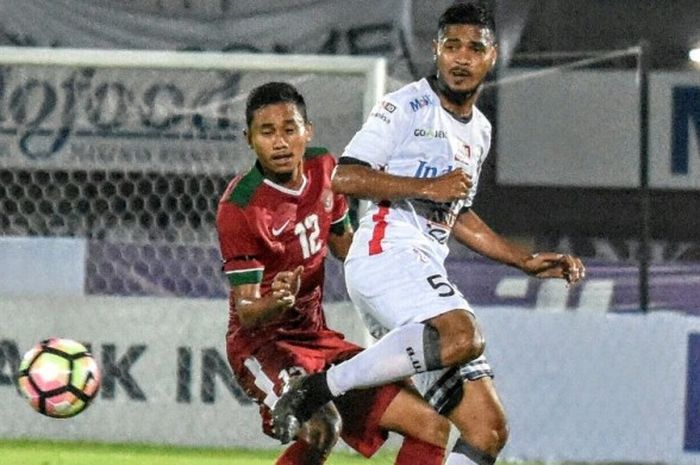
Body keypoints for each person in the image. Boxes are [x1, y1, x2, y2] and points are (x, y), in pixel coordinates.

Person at [271, 3, 587, 465]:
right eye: (452, 46)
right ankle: (320, 386)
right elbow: (346, 177)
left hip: (420, 267)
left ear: (491, 57)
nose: (461, 58)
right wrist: (427, 186)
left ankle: (327, 384)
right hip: (385, 252)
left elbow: (456, 213)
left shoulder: (478, 130)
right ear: (436, 51)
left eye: (474, 48)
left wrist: (522, 260)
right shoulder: (405, 105)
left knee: (487, 429)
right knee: (463, 333)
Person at [216, 81, 452, 465]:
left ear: (307, 131)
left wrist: (399, 266)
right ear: (249, 139)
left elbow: (346, 247)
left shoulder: (325, 167)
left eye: (289, 129)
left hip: (317, 338)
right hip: (263, 345)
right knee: (322, 427)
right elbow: (246, 311)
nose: (280, 142)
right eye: (267, 132)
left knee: (430, 423)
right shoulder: (240, 207)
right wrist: (276, 301)